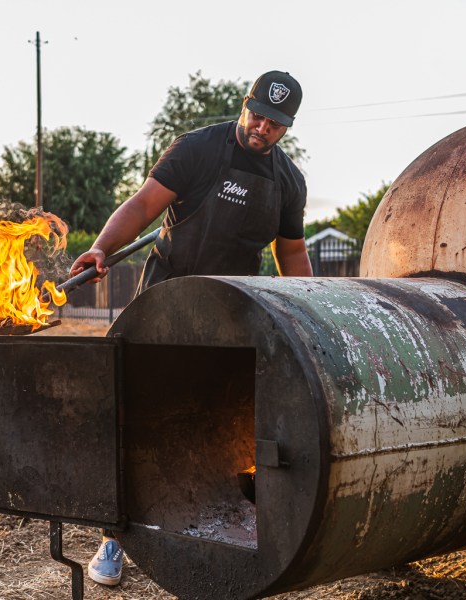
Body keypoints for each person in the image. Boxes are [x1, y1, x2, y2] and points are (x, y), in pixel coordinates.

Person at [70, 70, 313, 587]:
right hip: (163, 304)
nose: (262, 128)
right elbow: (142, 205)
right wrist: (102, 247)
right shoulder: (198, 149)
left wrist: (310, 308)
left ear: (287, 129)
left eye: (275, 124)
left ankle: (212, 518)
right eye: (257, 115)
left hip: (231, 315)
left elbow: (291, 253)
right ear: (245, 105)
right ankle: (114, 538)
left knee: (218, 422)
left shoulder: (289, 182)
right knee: (136, 416)